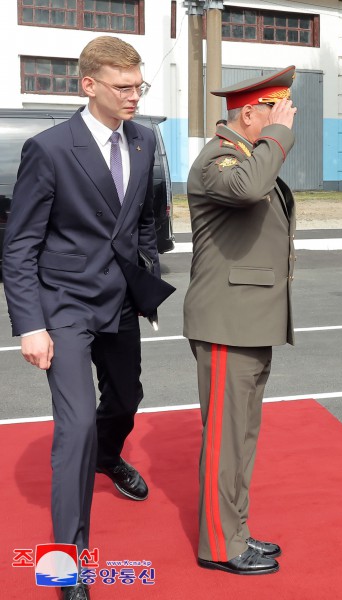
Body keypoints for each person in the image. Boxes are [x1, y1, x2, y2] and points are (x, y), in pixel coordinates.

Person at [2, 36, 167, 600]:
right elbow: (19, 245)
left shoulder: (144, 143)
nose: (134, 97)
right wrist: (30, 324)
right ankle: (65, 568)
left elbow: (142, 221)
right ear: (88, 85)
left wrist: (146, 279)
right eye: (124, 87)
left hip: (120, 302)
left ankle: (108, 455)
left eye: (138, 86)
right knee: (71, 431)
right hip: (65, 307)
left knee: (126, 399)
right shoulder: (49, 150)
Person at [182, 66, 298, 576]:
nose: (287, 117)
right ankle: (219, 546)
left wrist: (270, 139)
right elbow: (252, 190)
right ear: (250, 113)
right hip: (227, 322)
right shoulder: (220, 159)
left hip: (249, 320)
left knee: (241, 439)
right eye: (277, 108)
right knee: (224, 442)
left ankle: (237, 530)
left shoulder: (248, 156)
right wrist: (279, 136)